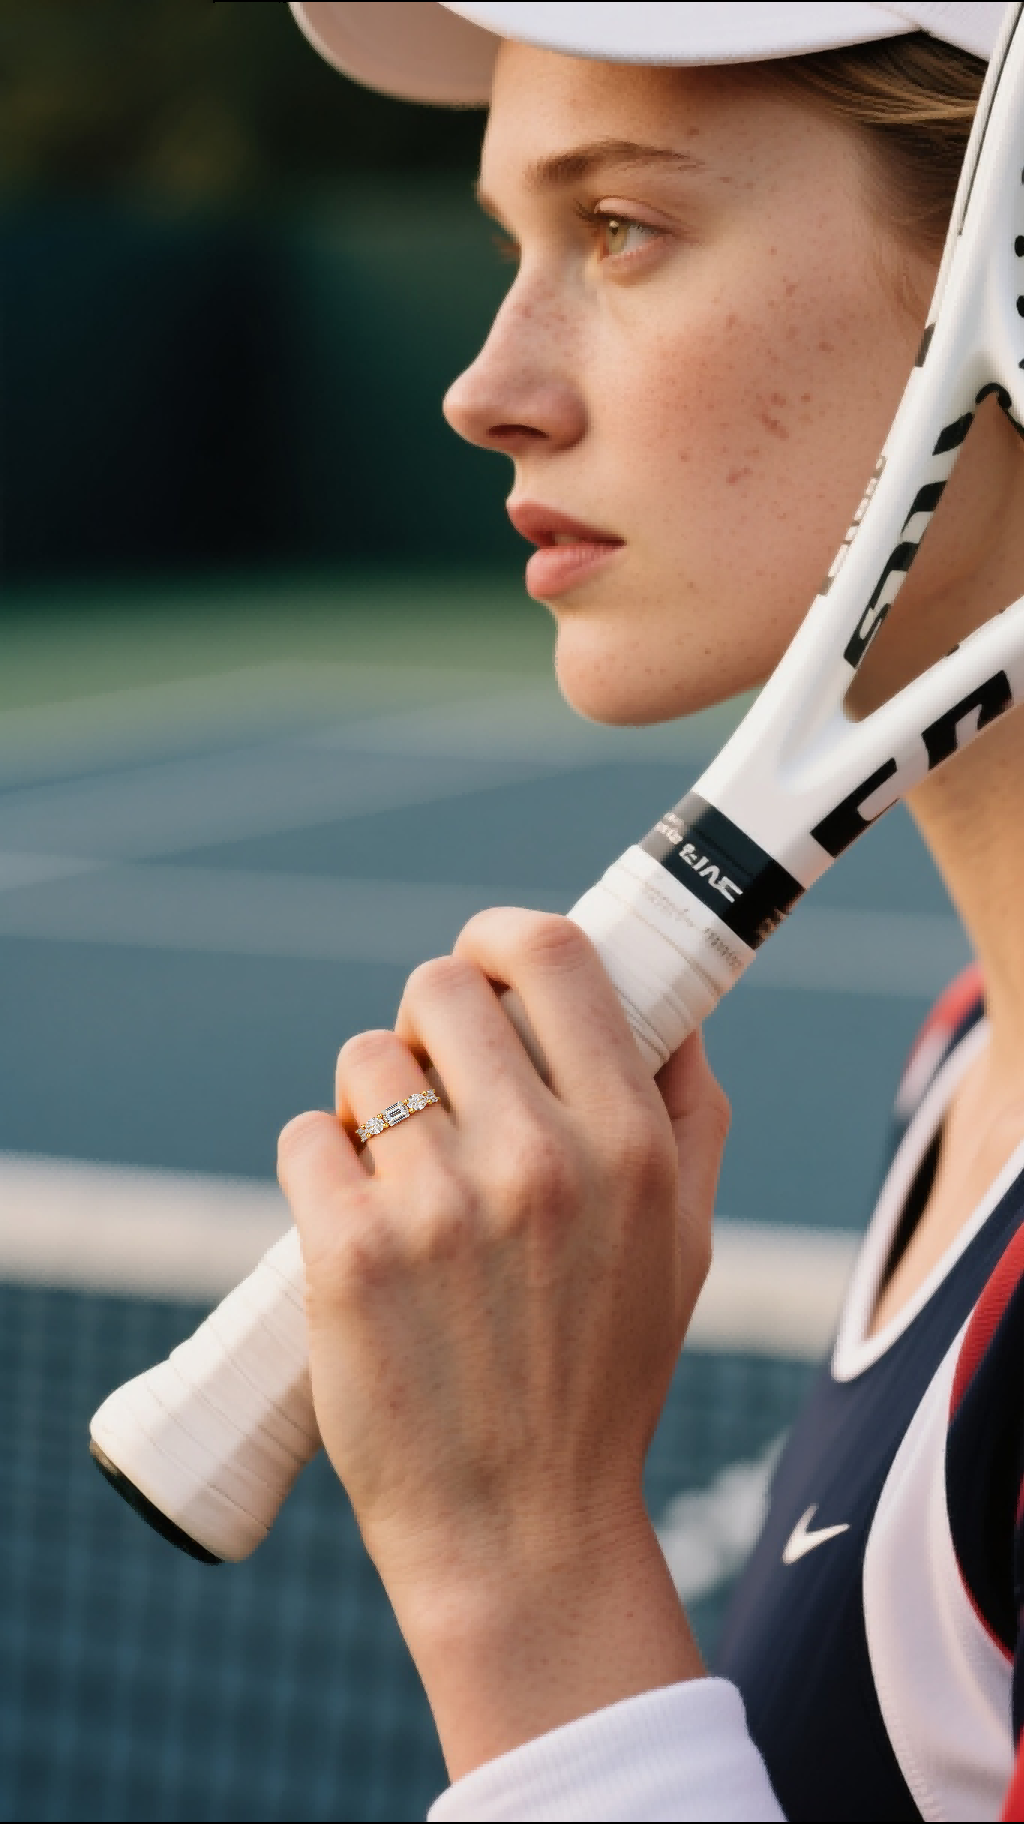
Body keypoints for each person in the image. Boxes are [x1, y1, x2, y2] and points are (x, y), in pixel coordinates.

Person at [278, 4, 1024, 1818]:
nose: (486, 384)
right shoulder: (971, 1055)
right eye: (509, 243)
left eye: (618, 226)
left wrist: (525, 1582)